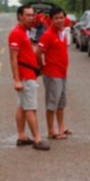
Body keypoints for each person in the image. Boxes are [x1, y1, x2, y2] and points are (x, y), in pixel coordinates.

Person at [9, 5, 50, 151]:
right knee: (31, 108)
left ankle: (22, 136)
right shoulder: (16, 33)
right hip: (25, 76)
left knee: (22, 106)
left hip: (29, 74)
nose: (31, 18)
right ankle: (37, 139)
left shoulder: (24, 31)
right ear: (20, 16)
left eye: (32, 15)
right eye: (28, 15)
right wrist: (17, 79)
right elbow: (13, 58)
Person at [36, 7, 72, 139]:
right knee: (52, 103)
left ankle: (61, 126)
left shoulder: (61, 33)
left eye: (61, 18)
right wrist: (42, 68)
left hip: (62, 73)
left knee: (61, 102)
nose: (59, 20)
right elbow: (38, 54)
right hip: (52, 73)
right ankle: (51, 130)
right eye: (56, 18)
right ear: (50, 20)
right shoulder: (48, 35)